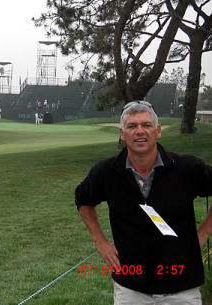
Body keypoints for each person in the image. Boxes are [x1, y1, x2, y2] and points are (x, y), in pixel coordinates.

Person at [75, 100, 212, 304]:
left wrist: (204, 232)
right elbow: (83, 198)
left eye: (146, 125)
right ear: (122, 134)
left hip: (182, 287)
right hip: (131, 288)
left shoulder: (186, 167)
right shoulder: (106, 171)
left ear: (157, 131)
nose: (140, 131)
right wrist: (100, 241)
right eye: (132, 126)